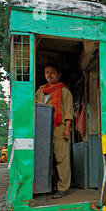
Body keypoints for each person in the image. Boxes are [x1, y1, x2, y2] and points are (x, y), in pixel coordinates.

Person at [35, 64, 74, 199]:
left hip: (59, 127)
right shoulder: (41, 91)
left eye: (52, 72)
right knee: (46, 156)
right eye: (46, 72)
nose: (49, 75)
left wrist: (67, 130)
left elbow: (69, 113)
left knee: (61, 158)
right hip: (43, 128)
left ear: (58, 75)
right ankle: (49, 185)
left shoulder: (64, 91)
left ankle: (63, 187)